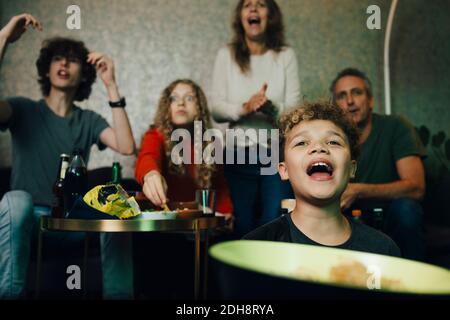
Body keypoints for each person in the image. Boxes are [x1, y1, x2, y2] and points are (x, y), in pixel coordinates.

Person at [0, 14, 135, 299]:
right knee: (16, 199)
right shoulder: (22, 109)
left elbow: (125, 147)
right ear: (47, 69)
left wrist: (111, 85)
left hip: (73, 221)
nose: (63, 64)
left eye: (72, 60)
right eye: (57, 58)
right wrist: (2, 39)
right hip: (31, 222)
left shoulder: (88, 120)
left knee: (119, 202)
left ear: (82, 74)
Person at [244, 101, 400, 257]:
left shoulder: (382, 250)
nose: (319, 147)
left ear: (351, 169)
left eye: (333, 142)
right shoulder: (256, 250)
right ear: (284, 171)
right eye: (302, 142)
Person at [134, 79, 232, 298]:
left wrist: (228, 213)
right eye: (174, 98)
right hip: (165, 232)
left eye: (189, 98)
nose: (181, 103)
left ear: (199, 107)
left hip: (197, 231)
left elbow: (221, 186)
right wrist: (151, 175)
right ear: (166, 106)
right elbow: (147, 158)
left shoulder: (211, 143)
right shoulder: (155, 136)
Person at [211, 0, 301, 237]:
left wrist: (270, 107)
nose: (253, 9)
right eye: (247, 4)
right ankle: (241, 276)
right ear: (240, 17)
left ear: (270, 15)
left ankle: (269, 274)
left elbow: (296, 111)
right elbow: (216, 108)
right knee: (242, 225)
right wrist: (244, 108)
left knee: (273, 221)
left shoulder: (285, 55)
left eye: (260, 4)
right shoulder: (226, 55)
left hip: (275, 155)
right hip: (236, 154)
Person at [330, 68, 426, 261]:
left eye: (356, 92)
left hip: (391, 215)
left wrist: (358, 190)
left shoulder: (396, 126)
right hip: (347, 217)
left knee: (407, 209)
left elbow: (416, 188)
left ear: (371, 100)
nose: (350, 101)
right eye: (342, 95)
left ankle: (414, 286)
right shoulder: (327, 137)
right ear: (334, 106)